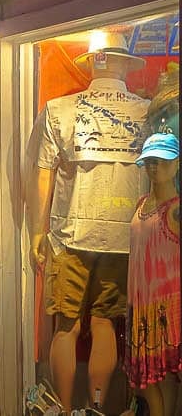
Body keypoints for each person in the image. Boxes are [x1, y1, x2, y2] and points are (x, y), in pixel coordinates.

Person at [25, 33, 148, 412]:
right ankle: (95, 406)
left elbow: (42, 174)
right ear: (126, 64)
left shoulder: (59, 109)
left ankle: (63, 408)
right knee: (105, 323)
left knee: (66, 325)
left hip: (70, 235)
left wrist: (36, 230)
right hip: (124, 237)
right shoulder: (147, 111)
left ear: (92, 63)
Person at [124, 133, 180, 416]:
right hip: (142, 306)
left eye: (162, 161)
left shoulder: (177, 210)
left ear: (176, 164)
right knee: (147, 381)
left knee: (169, 375)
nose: (155, 167)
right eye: (150, 161)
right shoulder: (141, 204)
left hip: (168, 305)